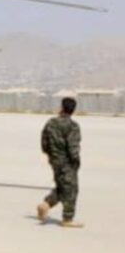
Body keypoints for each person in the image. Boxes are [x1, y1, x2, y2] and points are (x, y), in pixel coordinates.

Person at [37, 97, 83, 227]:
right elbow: (73, 147)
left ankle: (46, 204)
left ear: (62, 108)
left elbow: (44, 143)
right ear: (73, 110)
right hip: (67, 162)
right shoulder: (73, 126)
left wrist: (50, 155)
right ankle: (67, 218)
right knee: (72, 189)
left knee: (62, 187)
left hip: (54, 161)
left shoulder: (50, 123)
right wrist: (76, 162)